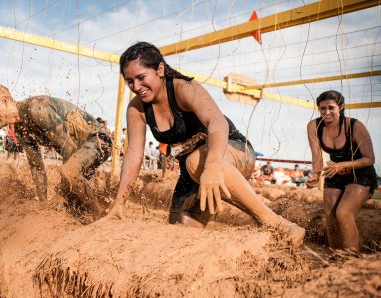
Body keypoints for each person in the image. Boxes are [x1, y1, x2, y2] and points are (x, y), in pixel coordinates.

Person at [97, 42, 304, 246]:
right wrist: (119, 203)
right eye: (130, 81)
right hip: (193, 171)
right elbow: (134, 154)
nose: (136, 87)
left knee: (196, 162)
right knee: (179, 233)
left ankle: (276, 223)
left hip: (232, 152)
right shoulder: (137, 109)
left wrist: (213, 166)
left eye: (141, 78)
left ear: (160, 69)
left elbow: (217, 122)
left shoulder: (183, 87)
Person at [0, 83, 112, 214]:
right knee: (71, 201)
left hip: (99, 140)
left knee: (68, 177)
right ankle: (91, 211)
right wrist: (43, 203)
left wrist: (61, 194)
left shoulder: (36, 109)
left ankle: (98, 217)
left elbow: (68, 149)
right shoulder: (19, 128)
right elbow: (37, 167)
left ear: (5, 100)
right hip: (81, 150)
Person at [306, 90, 377, 251]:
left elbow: (369, 159)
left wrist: (342, 165)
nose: (327, 112)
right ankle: (336, 256)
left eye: (331, 108)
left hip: (361, 174)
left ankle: (351, 259)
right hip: (335, 172)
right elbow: (316, 155)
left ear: (341, 107)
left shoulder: (354, 126)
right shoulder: (314, 126)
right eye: (323, 108)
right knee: (331, 217)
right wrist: (316, 175)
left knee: (343, 212)